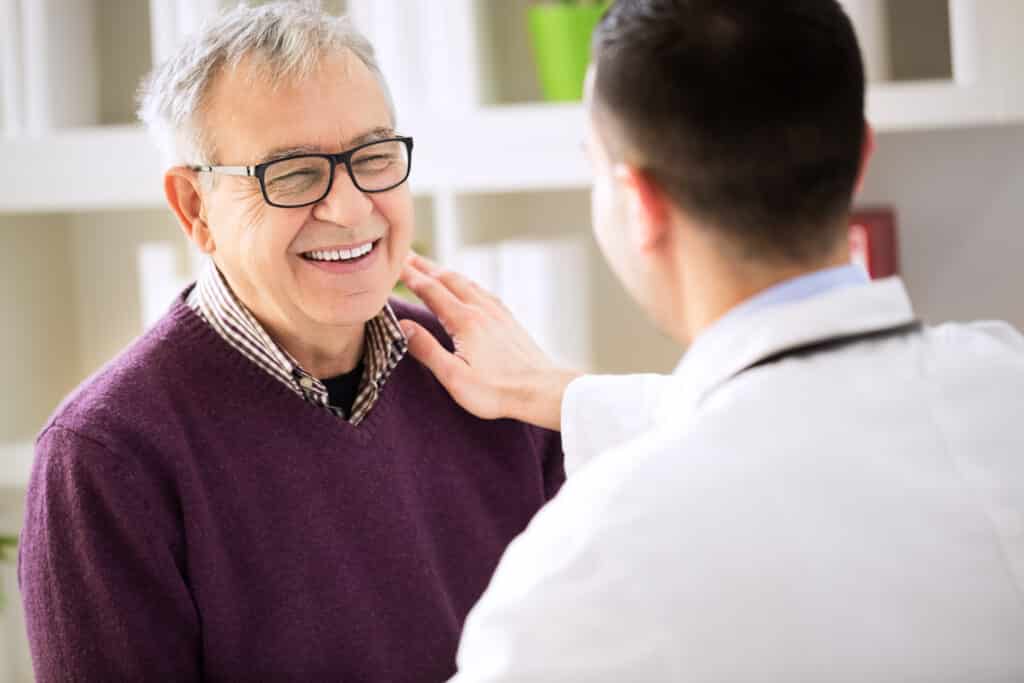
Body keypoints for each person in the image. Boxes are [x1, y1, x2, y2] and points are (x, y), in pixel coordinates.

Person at [398, 0, 1024, 680]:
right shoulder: (1000, 379)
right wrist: (570, 394)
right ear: (863, 153)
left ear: (638, 201)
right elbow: (804, 424)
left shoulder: (589, 568)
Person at [18, 3, 563, 681]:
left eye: (372, 155)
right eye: (295, 174)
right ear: (196, 209)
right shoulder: (104, 455)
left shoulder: (487, 371)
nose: (350, 206)